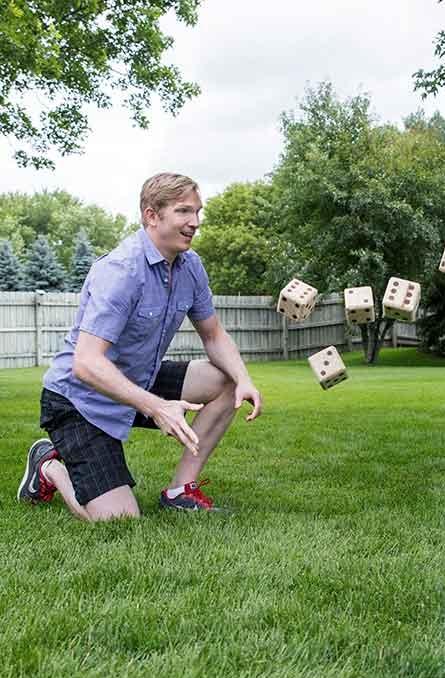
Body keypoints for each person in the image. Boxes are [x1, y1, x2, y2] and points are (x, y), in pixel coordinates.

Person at [17, 173, 262, 520]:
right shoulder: (121, 270)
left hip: (136, 378)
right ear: (151, 215)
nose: (195, 222)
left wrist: (244, 378)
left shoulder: (190, 267)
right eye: (183, 212)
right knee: (118, 518)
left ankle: (180, 492)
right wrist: (158, 407)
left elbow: (214, 335)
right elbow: (85, 363)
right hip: (78, 398)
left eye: (197, 212)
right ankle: (49, 466)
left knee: (227, 382)